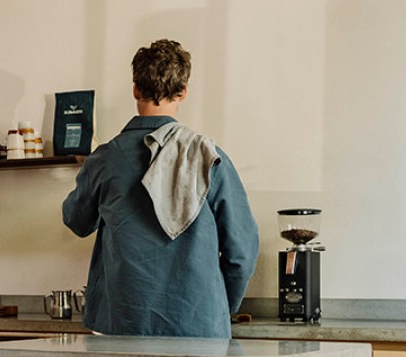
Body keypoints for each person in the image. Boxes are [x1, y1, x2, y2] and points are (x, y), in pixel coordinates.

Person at [62, 39, 259, 338]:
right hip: (200, 326)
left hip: (124, 326)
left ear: (135, 89)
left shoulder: (104, 159)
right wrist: (219, 306)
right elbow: (241, 252)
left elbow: (76, 220)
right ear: (183, 91)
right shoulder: (208, 157)